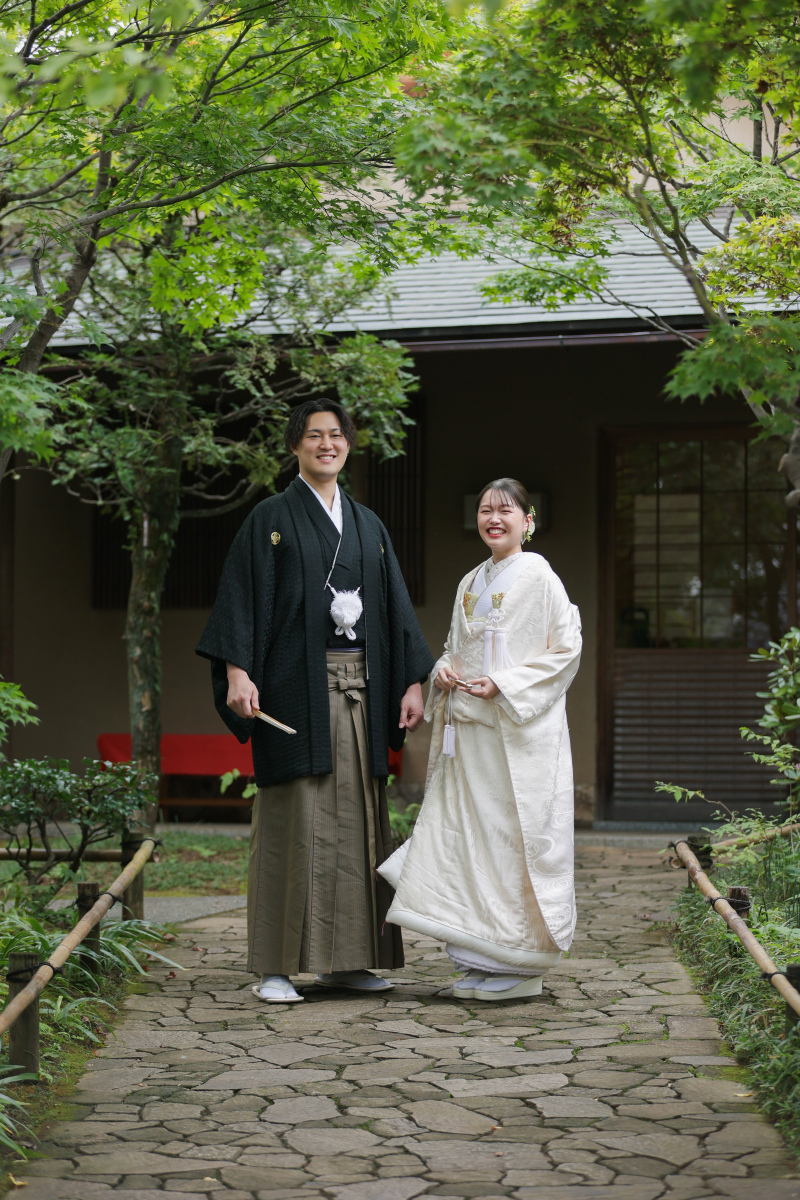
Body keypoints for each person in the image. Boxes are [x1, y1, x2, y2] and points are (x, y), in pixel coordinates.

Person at [196, 399, 433, 1003]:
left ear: (349, 445)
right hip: (294, 693)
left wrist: (411, 680)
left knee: (358, 825)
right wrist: (236, 673)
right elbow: (242, 601)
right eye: (313, 436)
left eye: (336, 436)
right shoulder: (270, 518)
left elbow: (397, 610)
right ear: (295, 446)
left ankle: (350, 959)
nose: (326, 445)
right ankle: (276, 966)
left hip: (360, 690)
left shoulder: (368, 524)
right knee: (293, 822)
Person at [387, 478, 581, 1002]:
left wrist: (506, 684)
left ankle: (520, 964)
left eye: (506, 511)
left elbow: (566, 650)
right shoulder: (471, 579)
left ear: (528, 521)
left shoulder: (540, 576)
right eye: (486, 511)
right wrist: (445, 671)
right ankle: (479, 957)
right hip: (470, 735)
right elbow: (455, 645)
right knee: (471, 842)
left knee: (509, 841)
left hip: (517, 740)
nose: (494, 519)